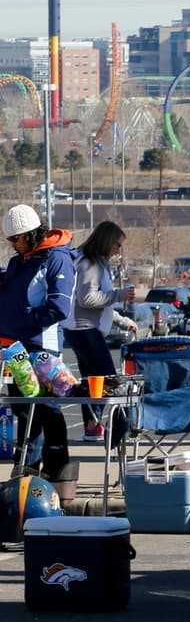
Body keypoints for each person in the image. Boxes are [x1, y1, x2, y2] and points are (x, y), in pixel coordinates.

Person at [0, 204, 76, 479]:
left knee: (46, 406)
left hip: (41, 349)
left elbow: (59, 308)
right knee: (22, 410)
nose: (12, 245)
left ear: (30, 234)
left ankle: (58, 469)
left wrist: (22, 317)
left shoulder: (55, 258)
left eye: (15, 239)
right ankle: (26, 470)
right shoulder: (18, 260)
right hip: (14, 347)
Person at [63, 221, 136, 441]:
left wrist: (121, 320)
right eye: (117, 244)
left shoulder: (97, 263)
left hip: (84, 329)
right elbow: (87, 299)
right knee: (110, 380)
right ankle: (119, 430)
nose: (118, 250)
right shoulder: (90, 264)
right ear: (106, 241)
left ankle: (92, 426)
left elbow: (99, 303)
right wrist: (118, 295)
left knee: (93, 381)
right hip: (84, 330)